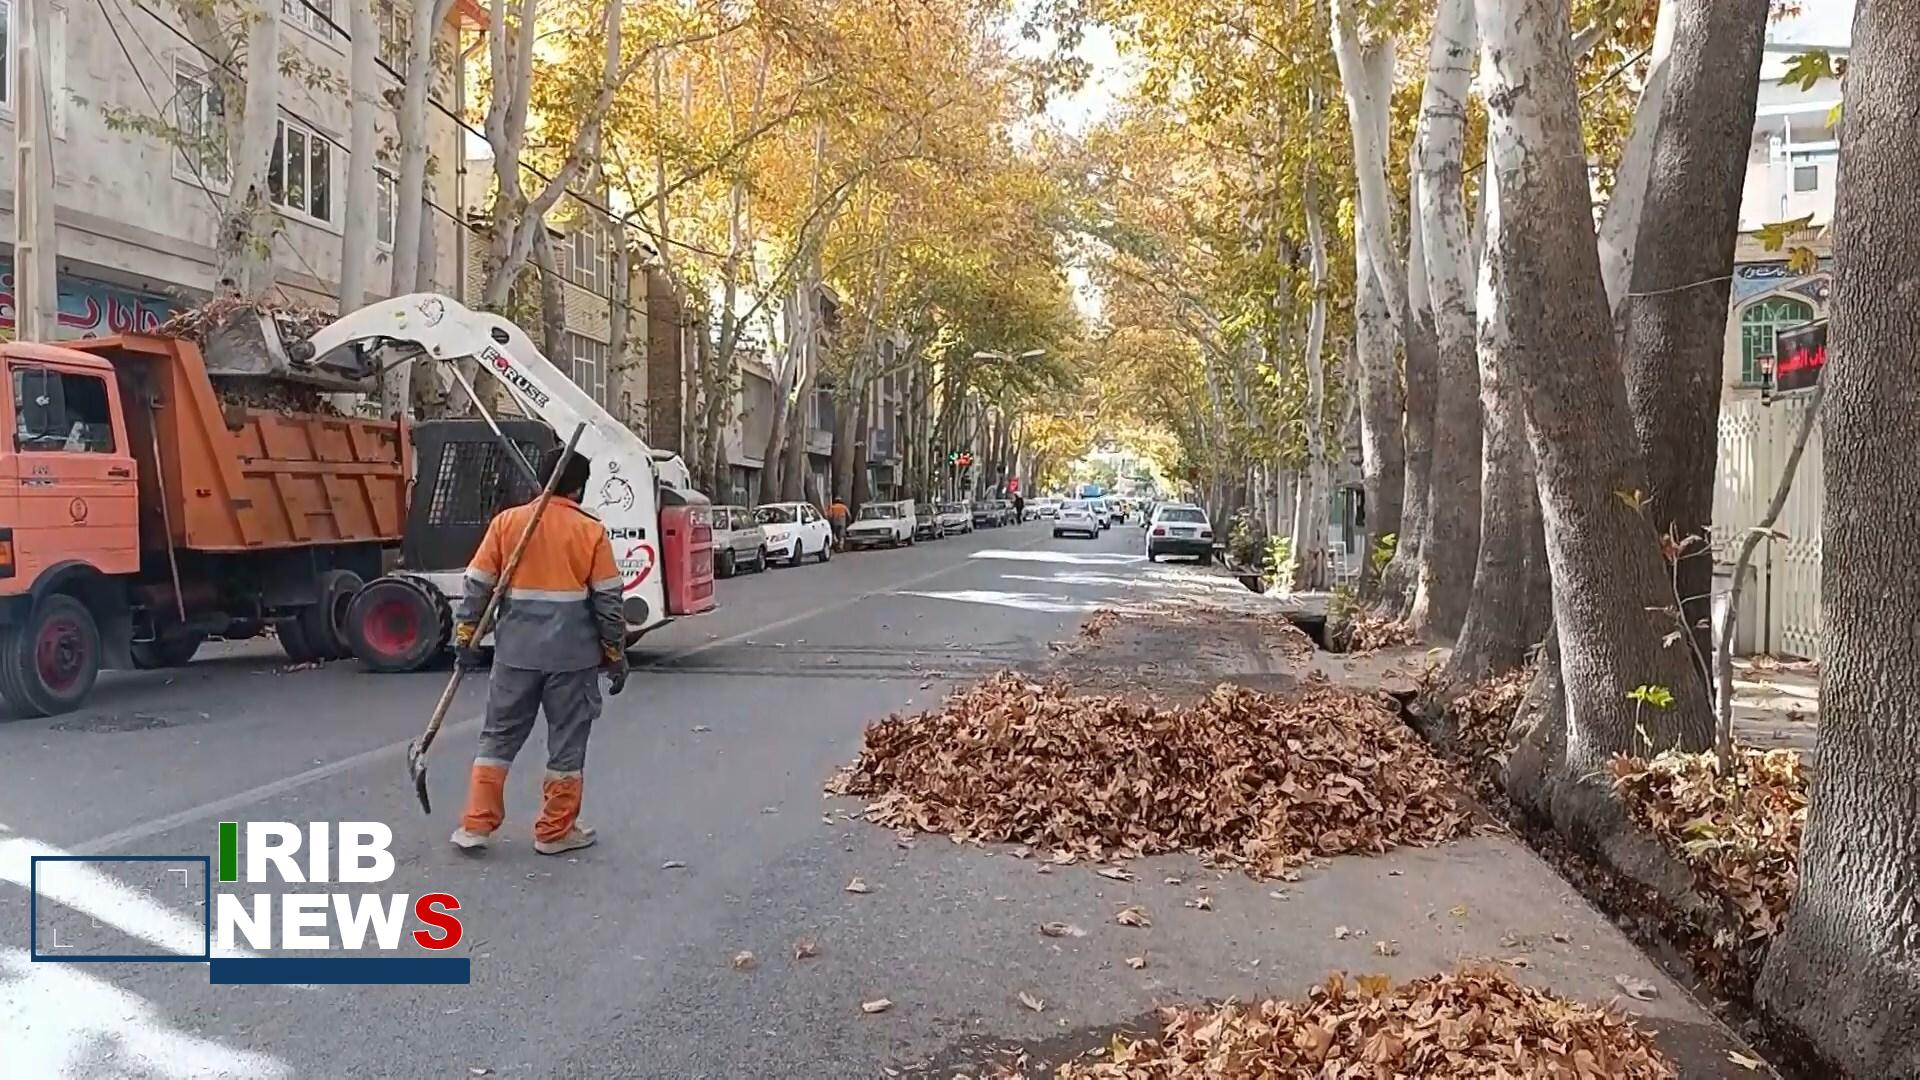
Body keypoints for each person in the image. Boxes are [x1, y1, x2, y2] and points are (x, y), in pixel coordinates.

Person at [451, 446, 628, 856]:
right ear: (579, 488)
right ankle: (554, 831)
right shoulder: (590, 531)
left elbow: (477, 585)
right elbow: (608, 602)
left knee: (498, 736)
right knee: (566, 742)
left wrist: (466, 634)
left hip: (515, 654)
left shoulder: (507, 523)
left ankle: (476, 824)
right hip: (572, 659)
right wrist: (615, 654)